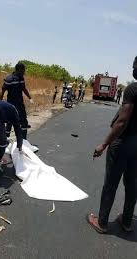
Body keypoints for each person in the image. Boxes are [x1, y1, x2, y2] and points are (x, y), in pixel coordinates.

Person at [87, 57, 137, 233]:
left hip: (123, 143)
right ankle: (127, 221)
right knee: (132, 185)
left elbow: (122, 121)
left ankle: (102, 222)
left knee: (111, 183)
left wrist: (104, 144)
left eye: (134, 66)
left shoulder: (133, 89)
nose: (133, 69)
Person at [0, 62, 33, 139]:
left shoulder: (21, 78)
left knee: (24, 120)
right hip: (11, 104)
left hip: (20, 103)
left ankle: (24, 140)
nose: (24, 72)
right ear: (19, 70)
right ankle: (5, 139)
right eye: (23, 70)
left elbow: (24, 89)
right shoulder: (9, 79)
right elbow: (2, 91)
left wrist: (30, 98)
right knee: (10, 122)